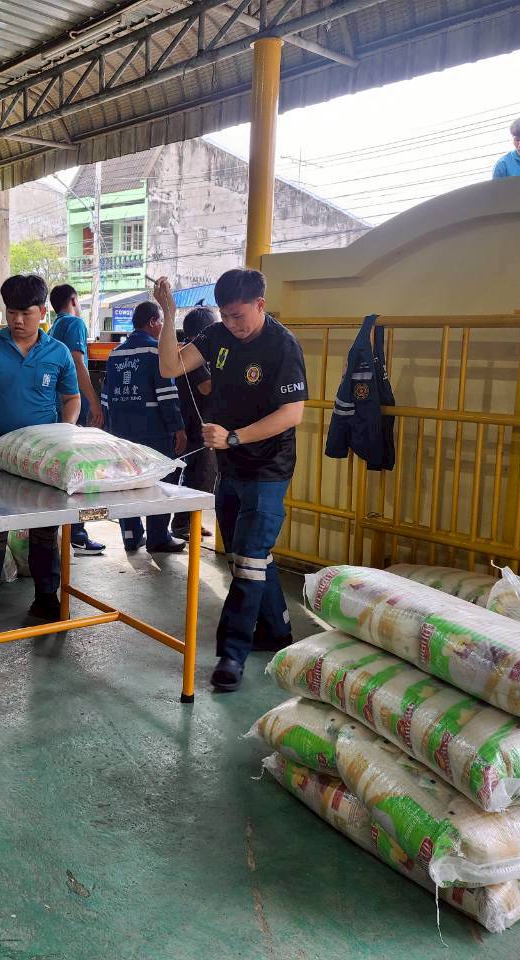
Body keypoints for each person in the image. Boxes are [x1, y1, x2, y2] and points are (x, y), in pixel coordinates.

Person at [155, 269, 307, 692]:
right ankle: (276, 630)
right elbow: (170, 366)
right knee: (247, 555)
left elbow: (292, 413)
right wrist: (169, 315)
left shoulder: (282, 345)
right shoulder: (218, 335)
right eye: (225, 315)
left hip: (268, 467)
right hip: (231, 466)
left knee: (249, 559)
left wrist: (234, 436)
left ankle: (231, 654)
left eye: (239, 315)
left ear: (260, 304)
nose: (232, 323)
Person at [0, 275, 81, 636]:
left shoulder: (58, 352)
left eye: (26, 313)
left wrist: (66, 429)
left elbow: (71, 398)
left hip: (42, 457)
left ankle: (46, 596)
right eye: (11, 313)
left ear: (42, 312)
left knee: (44, 530)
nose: (17, 320)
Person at [101, 300, 187, 553]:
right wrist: (178, 427)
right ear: (153, 322)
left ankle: (131, 535)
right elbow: (167, 394)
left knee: (127, 481)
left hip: (121, 432)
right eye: (161, 321)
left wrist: (110, 430)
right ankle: (158, 536)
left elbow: (106, 396)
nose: (162, 327)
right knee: (159, 481)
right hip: (154, 431)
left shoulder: (115, 353)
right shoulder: (156, 351)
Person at [49, 283, 107, 556]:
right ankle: (78, 535)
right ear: (73, 300)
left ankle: (65, 534)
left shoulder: (53, 327)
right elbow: (77, 362)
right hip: (71, 408)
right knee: (78, 471)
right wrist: (93, 401)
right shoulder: (74, 323)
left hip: (55, 409)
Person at [171, 306, 218, 540]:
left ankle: (189, 522)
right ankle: (183, 524)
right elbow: (207, 388)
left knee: (197, 476)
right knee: (201, 476)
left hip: (190, 423)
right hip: (196, 426)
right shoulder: (194, 357)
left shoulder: (188, 353)